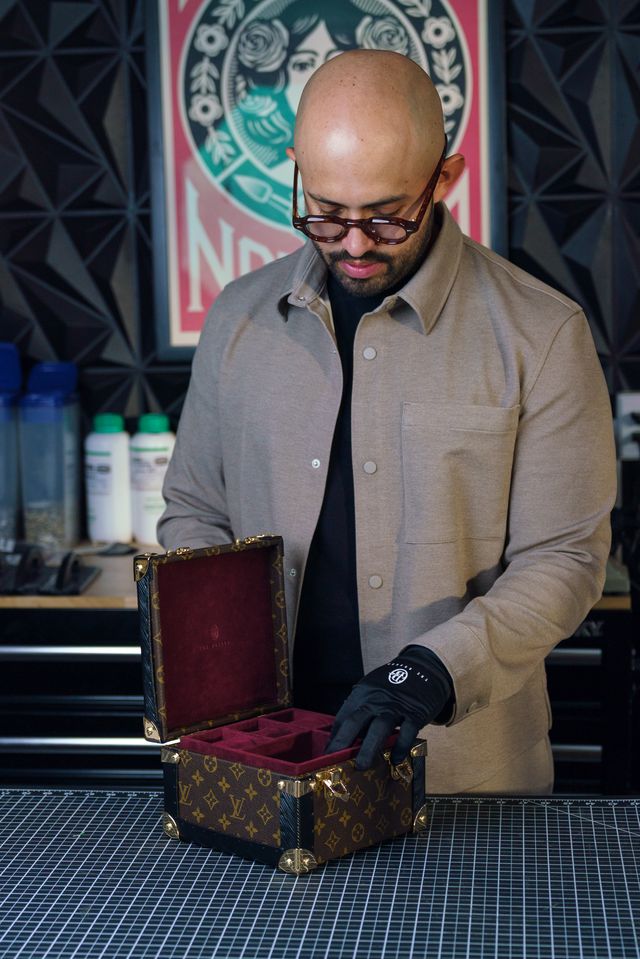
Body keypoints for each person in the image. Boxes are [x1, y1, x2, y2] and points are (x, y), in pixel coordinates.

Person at [158, 50, 617, 795]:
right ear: (297, 169)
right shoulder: (237, 318)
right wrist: (220, 645)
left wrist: (433, 668)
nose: (356, 243)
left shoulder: (543, 333)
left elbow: (565, 558)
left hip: (465, 777)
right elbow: (195, 510)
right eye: (328, 214)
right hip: (264, 764)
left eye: (386, 216)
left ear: (446, 178)